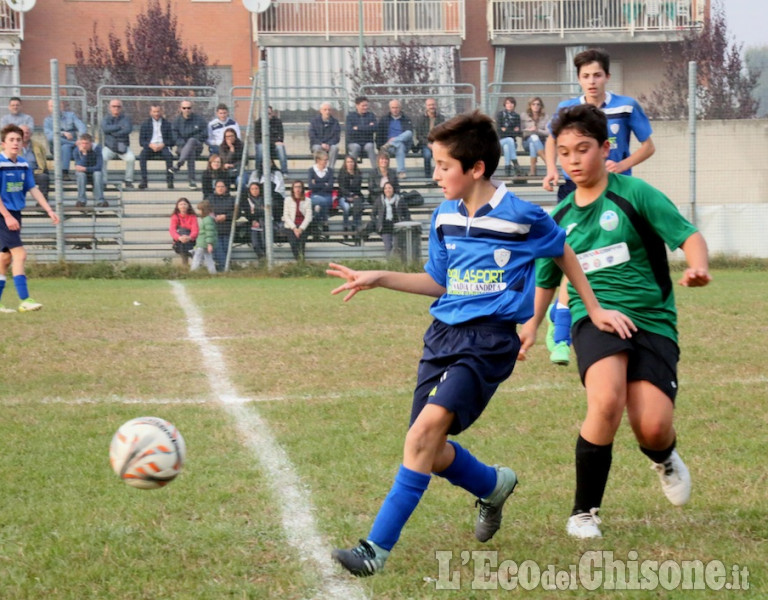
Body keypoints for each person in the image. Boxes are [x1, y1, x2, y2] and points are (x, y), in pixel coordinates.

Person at [327, 110, 634, 577]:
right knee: (428, 448)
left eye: (443, 165)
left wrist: (589, 309)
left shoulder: (521, 215)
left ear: (475, 169)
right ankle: (493, 485)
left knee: (421, 436)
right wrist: (379, 278)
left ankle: (374, 549)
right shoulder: (444, 215)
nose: (435, 175)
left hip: (488, 341)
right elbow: (437, 280)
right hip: (442, 338)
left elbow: (564, 252)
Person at [523, 103, 710, 539]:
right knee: (606, 400)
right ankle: (583, 512)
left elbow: (688, 235)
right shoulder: (558, 219)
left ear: (605, 149)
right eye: (565, 152)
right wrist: (531, 326)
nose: (573, 160)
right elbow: (546, 280)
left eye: (583, 149)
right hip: (596, 319)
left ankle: (663, 456)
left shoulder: (635, 194)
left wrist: (698, 266)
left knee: (653, 425)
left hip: (652, 321)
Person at [542, 47, 657, 367]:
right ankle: (561, 326)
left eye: (596, 75)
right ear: (578, 79)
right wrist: (552, 169)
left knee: (604, 258)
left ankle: (584, 313)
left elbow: (648, 145)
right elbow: (551, 139)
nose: (591, 81)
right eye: (585, 76)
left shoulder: (625, 107)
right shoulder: (568, 109)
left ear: (607, 76)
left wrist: (624, 164)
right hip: (573, 188)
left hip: (614, 193)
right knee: (571, 255)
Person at [0, 124, 60, 313]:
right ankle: (25, 300)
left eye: (18, 139)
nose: (16, 143)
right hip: (3, 214)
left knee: (4, 259)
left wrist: (49, 210)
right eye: (11, 140)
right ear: (3, 143)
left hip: (14, 214)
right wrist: (7, 216)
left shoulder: (24, 164)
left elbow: (33, 189)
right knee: (20, 254)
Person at [43, 99, 86, 181]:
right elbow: (50, 137)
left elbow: (82, 127)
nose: (55, 108)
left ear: (61, 106)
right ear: (49, 108)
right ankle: (65, 172)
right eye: (52, 106)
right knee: (64, 146)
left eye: (56, 105)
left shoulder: (71, 115)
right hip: (57, 147)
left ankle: (80, 172)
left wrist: (80, 139)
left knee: (76, 148)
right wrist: (62, 133)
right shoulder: (47, 121)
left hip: (75, 146)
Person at [170, 100, 208, 190]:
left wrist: (193, 140)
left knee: (191, 141)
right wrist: (184, 144)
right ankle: (192, 181)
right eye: (184, 108)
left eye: (189, 108)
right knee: (190, 152)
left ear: (192, 109)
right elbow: (175, 137)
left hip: (197, 146)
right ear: (180, 109)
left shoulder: (199, 119)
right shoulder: (176, 121)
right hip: (182, 148)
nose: (187, 110)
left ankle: (179, 164)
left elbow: (205, 134)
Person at [101, 98, 136, 189]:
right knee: (102, 157)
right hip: (110, 146)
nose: (116, 108)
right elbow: (105, 129)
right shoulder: (106, 118)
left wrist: (112, 132)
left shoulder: (126, 118)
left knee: (131, 158)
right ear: (110, 107)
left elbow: (127, 130)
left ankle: (128, 180)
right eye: (114, 106)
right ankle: (103, 181)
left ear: (121, 108)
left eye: (118, 106)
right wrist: (119, 127)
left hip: (122, 145)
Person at [138, 103, 174, 190]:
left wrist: (164, 144)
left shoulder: (167, 124)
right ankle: (144, 181)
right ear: (150, 112)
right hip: (150, 146)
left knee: (169, 156)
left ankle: (170, 181)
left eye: (158, 111)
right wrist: (150, 145)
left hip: (163, 146)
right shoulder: (145, 124)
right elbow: (141, 141)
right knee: (142, 156)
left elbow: (172, 140)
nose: (156, 114)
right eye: (154, 111)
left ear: (161, 112)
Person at [369, 180, 410, 257]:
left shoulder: (399, 199)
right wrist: (377, 223)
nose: (388, 190)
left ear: (393, 189)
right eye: (386, 188)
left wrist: (403, 222)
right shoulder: (379, 200)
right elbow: (373, 214)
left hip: (397, 227)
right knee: (388, 247)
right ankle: (390, 264)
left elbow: (407, 213)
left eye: (389, 188)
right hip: (385, 227)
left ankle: (397, 264)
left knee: (397, 247)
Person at [376, 99, 413, 179]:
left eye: (397, 107)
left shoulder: (406, 119)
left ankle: (393, 142)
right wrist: (379, 147)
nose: (395, 110)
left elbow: (409, 135)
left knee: (408, 133)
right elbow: (379, 134)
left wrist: (394, 140)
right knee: (400, 145)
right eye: (393, 108)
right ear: (390, 108)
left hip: (402, 145)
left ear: (400, 108)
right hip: (388, 148)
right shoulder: (384, 119)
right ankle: (401, 171)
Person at [414, 98, 446, 179]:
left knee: (442, 157)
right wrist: (428, 144)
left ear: (436, 105)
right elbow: (419, 135)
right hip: (425, 144)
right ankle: (428, 178)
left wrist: (436, 144)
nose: (431, 106)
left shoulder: (441, 118)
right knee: (427, 155)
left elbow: (443, 133)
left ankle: (441, 176)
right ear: (426, 106)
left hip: (438, 143)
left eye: (433, 104)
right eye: (429, 105)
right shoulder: (420, 118)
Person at [73, 133, 106, 207]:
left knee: (98, 174)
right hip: (83, 174)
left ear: (91, 143)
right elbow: (78, 167)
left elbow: (99, 167)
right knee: (80, 174)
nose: (84, 145)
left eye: (86, 143)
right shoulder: (76, 150)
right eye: (82, 143)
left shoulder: (97, 149)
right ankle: (81, 200)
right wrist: (84, 154)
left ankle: (100, 201)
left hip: (94, 173)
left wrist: (85, 169)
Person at [345, 96, 377, 170]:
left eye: (366, 105)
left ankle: (376, 170)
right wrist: (367, 127)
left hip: (367, 142)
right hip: (353, 143)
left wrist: (358, 128)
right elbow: (350, 131)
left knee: (370, 146)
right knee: (356, 147)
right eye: (363, 105)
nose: (365, 107)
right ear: (357, 106)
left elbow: (375, 128)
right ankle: (351, 170)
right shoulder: (350, 117)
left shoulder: (371, 115)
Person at [282, 180, 312, 261]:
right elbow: (286, 216)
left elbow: (308, 216)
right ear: (292, 189)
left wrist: (301, 229)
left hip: (303, 225)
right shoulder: (287, 200)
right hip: (291, 226)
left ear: (302, 188)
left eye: (299, 187)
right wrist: (294, 228)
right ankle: (300, 262)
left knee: (301, 243)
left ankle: (301, 262)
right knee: (293, 243)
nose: (297, 189)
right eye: (295, 187)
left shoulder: (308, 200)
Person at [208, 179, 234, 271]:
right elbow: (206, 211)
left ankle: (224, 267)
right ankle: (225, 268)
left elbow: (236, 213)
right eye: (218, 186)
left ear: (226, 188)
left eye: (222, 186)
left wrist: (226, 216)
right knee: (218, 249)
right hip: (214, 229)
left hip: (227, 229)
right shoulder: (210, 198)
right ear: (215, 188)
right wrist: (215, 217)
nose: (220, 188)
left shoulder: (231, 199)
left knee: (227, 249)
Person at [254, 106, 288, 175]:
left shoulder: (277, 121)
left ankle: (284, 172)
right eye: (265, 114)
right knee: (260, 147)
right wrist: (274, 142)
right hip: (264, 147)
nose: (267, 115)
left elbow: (281, 138)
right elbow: (257, 139)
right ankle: (258, 171)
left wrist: (272, 142)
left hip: (274, 148)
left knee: (280, 147)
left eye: (269, 113)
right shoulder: (258, 123)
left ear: (272, 113)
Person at [19, 125, 49, 201]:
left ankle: (42, 202)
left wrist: (41, 169)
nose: (25, 135)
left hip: (34, 172)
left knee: (44, 177)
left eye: (27, 133)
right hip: (18, 172)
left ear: (31, 134)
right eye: (22, 133)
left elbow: (42, 160)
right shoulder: (13, 145)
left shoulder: (38, 145)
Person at [308, 102, 341, 172]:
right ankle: (319, 170)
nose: (327, 112)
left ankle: (330, 170)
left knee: (335, 148)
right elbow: (312, 136)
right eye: (325, 109)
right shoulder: (314, 121)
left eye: (329, 110)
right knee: (317, 147)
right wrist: (321, 144)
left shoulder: (335, 122)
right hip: (318, 144)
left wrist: (329, 144)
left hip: (330, 145)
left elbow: (337, 137)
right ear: (321, 111)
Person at [307, 149, 333, 234]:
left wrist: (317, 184)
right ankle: (325, 222)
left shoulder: (330, 171)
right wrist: (324, 184)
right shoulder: (311, 170)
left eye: (327, 160)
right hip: (315, 195)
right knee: (321, 202)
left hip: (327, 195)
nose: (326, 162)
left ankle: (316, 225)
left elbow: (330, 186)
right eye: (324, 160)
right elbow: (311, 187)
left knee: (318, 207)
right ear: (318, 160)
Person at [337, 154, 364, 236]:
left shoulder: (358, 174)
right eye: (348, 162)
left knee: (357, 205)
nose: (350, 164)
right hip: (343, 195)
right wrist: (350, 195)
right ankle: (345, 226)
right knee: (347, 207)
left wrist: (353, 196)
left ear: (354, 163)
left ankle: (355, 225)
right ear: (345, 163)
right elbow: (342, 188)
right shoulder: (342, 173)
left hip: (356, 195)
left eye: (351, 162)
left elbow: (358, 188)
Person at [521, 97, 548, 177]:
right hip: (526, 142)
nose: (535, 106)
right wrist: (529, 130)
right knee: (533, 137)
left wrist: (538, 130)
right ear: (530, 106)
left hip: (541, 143)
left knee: (533, 142)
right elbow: (520, 131)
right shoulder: (524, 115)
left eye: (538, 104)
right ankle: (548, 163)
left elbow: (548, 132)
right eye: (533, 104)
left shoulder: (545, 116)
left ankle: (532, 171)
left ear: (541, 106)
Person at [496, 96, 522, 177]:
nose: (509, 105)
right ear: (504, 104)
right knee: (509, 140)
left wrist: (506, 130)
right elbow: (499, 131)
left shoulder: (517, 116)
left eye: (511, 103)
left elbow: (519, 133)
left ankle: (507, 168)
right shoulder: (500, 115)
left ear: (514, 105)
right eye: (507, 103)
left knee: (508, 145)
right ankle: (515, 162)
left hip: (512, 144)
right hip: (500, 142)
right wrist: (512, 131)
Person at [169, 197, 199, 266]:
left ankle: (193, 266)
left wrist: (189, 237)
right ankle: (186, 266)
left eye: (185, 204)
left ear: (188, 206)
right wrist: (179, 237)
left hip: (190, 240)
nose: (183, 206)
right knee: (183, 246)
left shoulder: (192, 216)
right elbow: (172, 230)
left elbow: (195, 230)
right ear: (177, 206)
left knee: (192, 251)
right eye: (181, 204)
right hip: (179, 241)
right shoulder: (175, 216)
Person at [190, 199, 217, 274]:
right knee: (208, 258)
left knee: (197, 257)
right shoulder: (208, 219)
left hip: (203, 243)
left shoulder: (207, 220)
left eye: (200, 210)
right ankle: (212, 272)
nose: (199, 212)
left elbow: (209, 232)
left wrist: (209, 244)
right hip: (204, 243)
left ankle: (193, 271)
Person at [242, 181, 266, 260]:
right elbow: (248, 214)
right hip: (252, 224)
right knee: (255, 244)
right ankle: (262, 258)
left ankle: (265, 261)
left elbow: (266, 212)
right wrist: (259, 211)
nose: (255, 190)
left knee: (264, 243)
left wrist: (255, 210)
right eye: (252, 189)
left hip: (265, 223)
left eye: (256, 188)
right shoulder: (246, 201)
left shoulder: (265, 199)